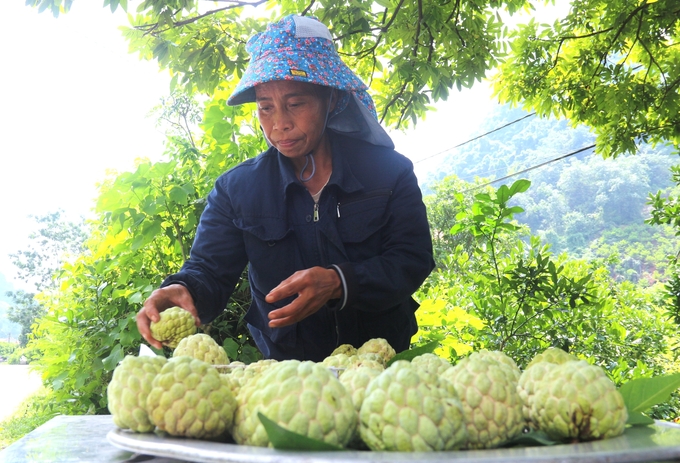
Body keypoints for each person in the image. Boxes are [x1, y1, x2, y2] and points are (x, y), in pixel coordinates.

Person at [136, 14, 435, 361]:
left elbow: (411, 259)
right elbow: (209, 269)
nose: (279, 124)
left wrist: (338, 281)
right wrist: (182, 289)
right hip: (288, 377)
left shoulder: (388, 172)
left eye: (296, 104)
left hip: (380, 370)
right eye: (265, 107)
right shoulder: (237, 191)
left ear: (332, 100)